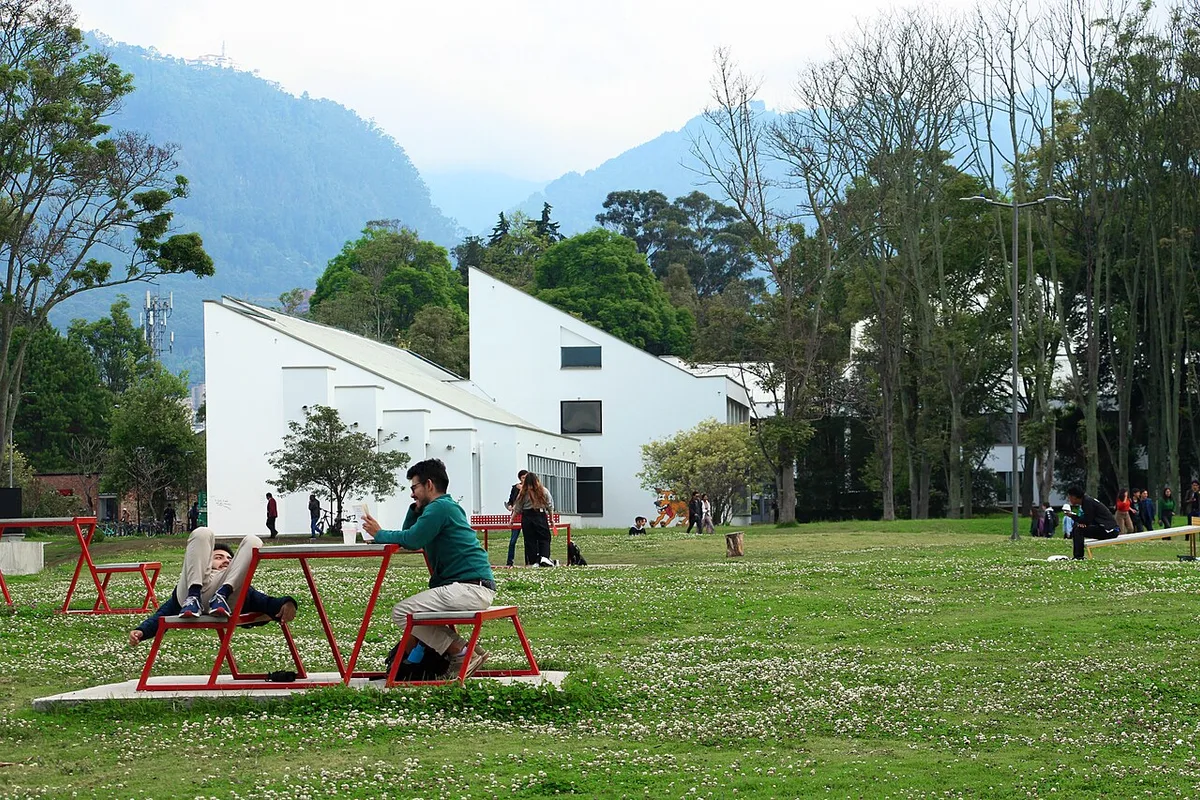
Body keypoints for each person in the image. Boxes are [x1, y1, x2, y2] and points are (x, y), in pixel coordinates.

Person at [361, 459, 496, 679]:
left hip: (469, 589)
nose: (412, 494)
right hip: (472, 586)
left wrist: (380, 533)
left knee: (402, 612)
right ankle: (464, 651)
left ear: (429, 485)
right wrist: (414, 510)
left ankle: (461, 652)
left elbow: (412, 539)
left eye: (414, 488)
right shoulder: (442, 508)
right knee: (415, 614)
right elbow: (411, 534)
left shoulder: (439, 508)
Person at [126, 527, 298, 646]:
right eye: (218, 557)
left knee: (254, 541)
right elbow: (164, 613)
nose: (225, 560)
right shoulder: (199, 570)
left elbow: (264, 602)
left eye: (229, 559)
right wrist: (142, 631)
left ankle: (222, 594)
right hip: (193, 589)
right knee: (202, 532)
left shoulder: (240, 585)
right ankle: (194, 596)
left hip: (228, 596)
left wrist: (286, 603)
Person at [1063, 484, 1121, 559]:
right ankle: (1078, 556)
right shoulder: (1086, 501)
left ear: (1074, 497)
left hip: (1110, 531)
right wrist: (1082, 522)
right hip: (1106, 528)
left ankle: (1078, 557)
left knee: (1078, 530)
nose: (1069, 499)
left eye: (1069, 497)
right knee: (1077, 528)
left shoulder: (1087, 502)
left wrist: (1073, 516)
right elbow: (1087, 519)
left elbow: (1087, 520)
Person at [511, 471, 555, 566]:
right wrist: (551, 519)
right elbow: (550, 506)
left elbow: (517, 508)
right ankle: (544, 557)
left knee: (530, 540)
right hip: (540, 515)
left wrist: (512, 520)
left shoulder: (523, 493)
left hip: (527, 517)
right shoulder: (543, 491)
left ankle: (533, 561)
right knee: (544, 538)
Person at [503, 470, 528, 568]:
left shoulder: (530, 489)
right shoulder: (515, 488)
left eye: (526, 477)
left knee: (528, 540)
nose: (524, 480)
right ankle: (510, 561)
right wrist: (510, 506)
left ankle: (529, 561)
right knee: (513, 540)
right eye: (523, 478)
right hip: (516, 516)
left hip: (526, 515)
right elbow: (511, 500)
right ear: (520, 478)